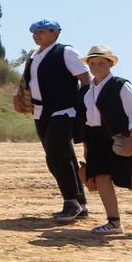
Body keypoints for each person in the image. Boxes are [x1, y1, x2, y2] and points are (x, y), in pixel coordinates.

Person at [15, 19, 92, 221]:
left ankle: (70, 202)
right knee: (61, 157)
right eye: (34, 31)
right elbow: (27, 80)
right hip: (40, 112)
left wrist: (80, 105)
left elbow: (85, 79)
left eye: (41, 31)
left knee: (57, 155)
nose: (36, 35)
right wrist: (19, 95)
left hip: (63, 110)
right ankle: (80, 203)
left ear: (55, 33)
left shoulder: (66, 52)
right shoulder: (34, 54)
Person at [78, 45, 132, 236]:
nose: (96, 66)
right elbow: (88, 120)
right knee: (100, 178)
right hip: (95, 139)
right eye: (93, 63)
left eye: (101, 62)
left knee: (129, 179)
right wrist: (86, 145)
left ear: (110, 64)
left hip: (120, 137)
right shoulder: (87, 91)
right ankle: (114, 223)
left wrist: (131, 141)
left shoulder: (120, 85)